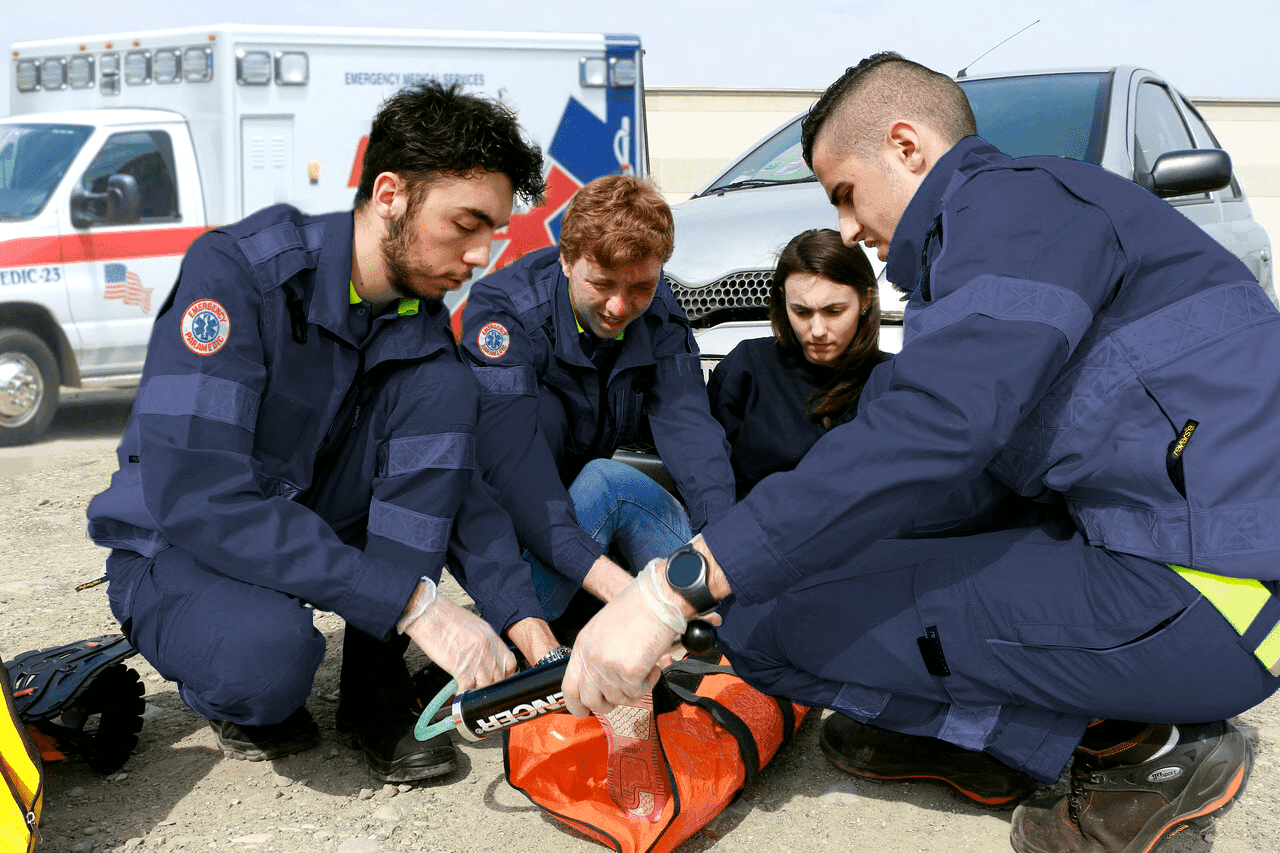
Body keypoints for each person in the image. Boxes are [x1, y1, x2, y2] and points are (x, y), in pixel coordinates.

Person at [561, 52, 1280, 853]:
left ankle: (1141, 746)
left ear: (906, 147)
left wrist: (674, 586)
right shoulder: (994, 239)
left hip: (1204, 591)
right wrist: (782, 556)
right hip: (1177, 569)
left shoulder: (1015, 206)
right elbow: (978, 478)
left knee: (766, 628)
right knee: (771, 602)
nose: (847, 231)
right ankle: (1014, 736)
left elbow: (939, 429)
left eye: (844, 194)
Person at [85, 82, 556, 785]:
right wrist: (415, 603)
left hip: (299, 529)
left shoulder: (417, 324)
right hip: (180, 541)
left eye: (494, 230)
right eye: (466, 224)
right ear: (391, 193)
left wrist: (525, 622)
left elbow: (460, 487)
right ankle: (213, 662)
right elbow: (201, 498)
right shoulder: (242, 275)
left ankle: (373, 680)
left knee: (445, 384)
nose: (483, 253)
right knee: (267, 663)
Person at [458, 175, 735, 641]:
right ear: (567, 261)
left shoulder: (659, 309)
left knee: (611, 486)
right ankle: (504, 634)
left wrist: (725, 544)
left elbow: (691, 429)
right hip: (512, 509)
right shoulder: (505, 312)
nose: (619, 306)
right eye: (602, 283)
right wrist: (627, 593)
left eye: (641, 287)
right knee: (542, 419)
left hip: (588, 495)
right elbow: (513, 472)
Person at [708, 228, 888, 499]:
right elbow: (706, 469)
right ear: (783, 300)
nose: (817, 330)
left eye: (834, 311)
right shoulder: (747, 367)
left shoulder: (890, 379)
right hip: (748, 532)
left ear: (865, 300)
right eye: (801, 311)